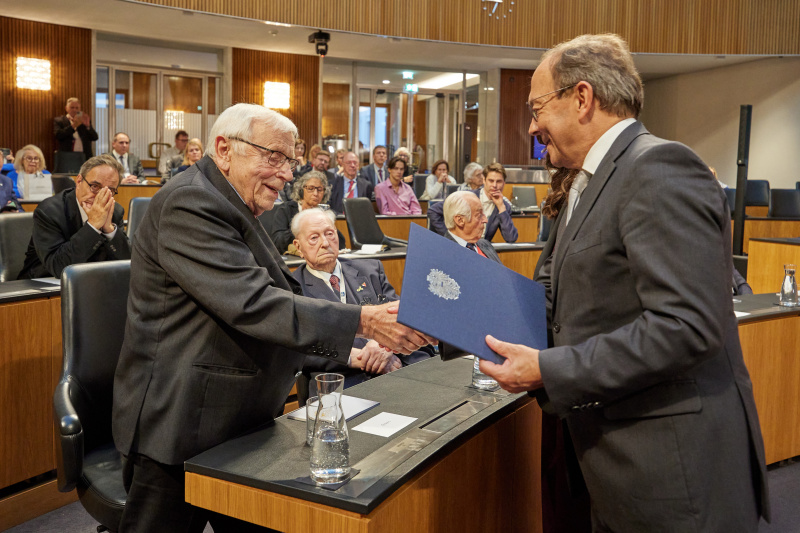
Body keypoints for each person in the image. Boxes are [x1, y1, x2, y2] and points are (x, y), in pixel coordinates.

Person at [479, 34, 768, 531]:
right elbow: (556, 295)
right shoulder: (587, 181)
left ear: (583, 98)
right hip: (616, 463)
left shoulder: (658, 167)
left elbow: (686, 326)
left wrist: (551, 369)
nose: (532, 126)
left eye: (537, 108)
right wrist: (459, 305)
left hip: (674, 473)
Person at [112, 103, 433, 533]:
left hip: (239, 416)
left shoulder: (235, 203)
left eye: (291, 161)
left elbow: (284, 297)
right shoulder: (189, 202)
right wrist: (365, 321)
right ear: (224, 149)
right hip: (182, 420)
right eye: (274, 157)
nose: (286, 174)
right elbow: (256, 305)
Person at [291, 208, 431, 390]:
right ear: (298, 246)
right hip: (342, 380)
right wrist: (358, 358)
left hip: (394, 367)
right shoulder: (293, 287)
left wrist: (383, 345)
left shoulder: (371, 270)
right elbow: (299, 348)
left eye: (329, 233)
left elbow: (399, 315)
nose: (325, 243)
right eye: (314, 238)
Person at [17, 154, 130, 279]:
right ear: (79, 181)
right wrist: (93, 225)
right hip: (43, 284)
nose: (99, 196)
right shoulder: (49, 211)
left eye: (109, 190)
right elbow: (59, 266)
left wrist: (109, 229)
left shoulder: (114, 211)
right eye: (95, 186)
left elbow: (129, 263)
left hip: (92, 283)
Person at [427, 163, 518, 242]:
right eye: (491, 181)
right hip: (458, 246)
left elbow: (510, 238)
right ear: (484, 180)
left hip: (480, 249)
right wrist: (450, 237)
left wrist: (501, 207)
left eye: (498, 181)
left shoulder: (504, 206)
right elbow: (433, 211)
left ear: (504, 183)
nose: (494, 185)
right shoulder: (467, 196)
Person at [270, 170, 343, 254]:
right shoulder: (286, 209)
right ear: (301, 190)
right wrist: (303, 226)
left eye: (319, 190)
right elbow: (277, 242)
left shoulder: (324, 213)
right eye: (310, 189)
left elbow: (341, 243)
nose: (315, 193)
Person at [441, 191, 500, 262]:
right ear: (460, 220)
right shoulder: (443, 253)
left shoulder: (486, 244)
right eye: (479, 215)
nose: (485, 220)